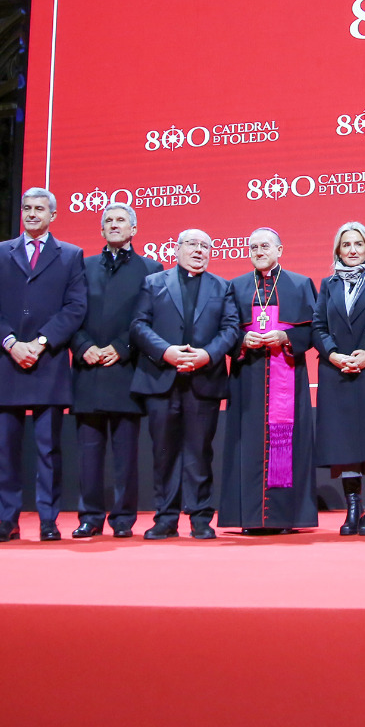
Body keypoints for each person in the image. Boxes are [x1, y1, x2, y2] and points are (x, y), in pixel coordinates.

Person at [0, 187, 88, 542]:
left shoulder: (70, 255)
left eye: (40, 209)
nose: (32, 214)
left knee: (48, 450)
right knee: (7, 451)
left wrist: (39, 343)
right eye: (27, 208)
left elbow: (75, 308)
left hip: (48, 362)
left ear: (53, 215)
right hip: (5, 362)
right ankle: (6, 521)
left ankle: (48, 520)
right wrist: (11, 343)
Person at [131, 229, 240, 540]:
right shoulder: (154, 283)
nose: (198, 250)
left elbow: (231, 328)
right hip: (160, 378)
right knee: (164, 452)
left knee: (199, 452)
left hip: (203, 379)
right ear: (176, 249)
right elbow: (138, 325)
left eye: (205, 246)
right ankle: (165, 517)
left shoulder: (223, 286)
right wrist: (166, 352)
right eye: (192, 244)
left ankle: (200, 516)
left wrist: (207, 355)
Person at [70, 204, 162, 539]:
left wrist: (122, 348)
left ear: (133, 229)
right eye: (107, 220)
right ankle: (90, 517)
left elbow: (149, 319)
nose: (113, 225)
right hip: (88, 370)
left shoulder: (151, 269)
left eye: (120, 220)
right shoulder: (82, 267)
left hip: (127, 373)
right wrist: (83, 347)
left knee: (126, 456)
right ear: (101, 229)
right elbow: (72, 314)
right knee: (88, 454)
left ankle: (123, 518)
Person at [219, 228, 319, 535]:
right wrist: (242, 338)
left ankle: (283, 517)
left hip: (286, 373)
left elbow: (315, 329)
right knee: (246, 444)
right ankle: (249, 518)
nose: (258, 250)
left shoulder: (301, 284)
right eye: (253, 246)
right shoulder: (235, 287)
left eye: (265, 246)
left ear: (280, 249)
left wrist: (287, 336)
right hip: (247, 377)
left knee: (285, 442)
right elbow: (224, 329)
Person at [312, 222, 365, 536]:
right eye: (346, 245)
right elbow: (318, 326)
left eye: (358, 244)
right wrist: (334, 355)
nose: (352, 250)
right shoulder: (328, 283)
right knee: (343, 442)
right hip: (337, 372)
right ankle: (353, 509)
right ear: (338, 250)